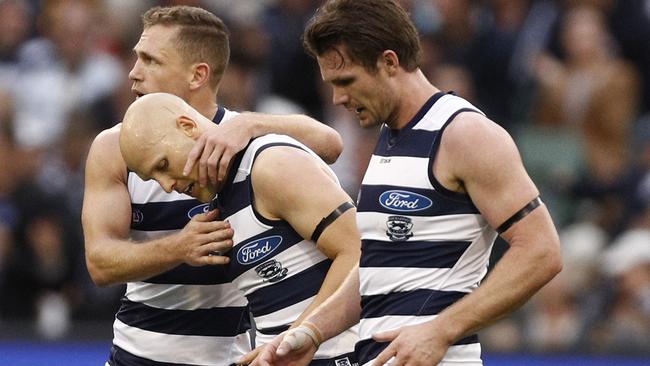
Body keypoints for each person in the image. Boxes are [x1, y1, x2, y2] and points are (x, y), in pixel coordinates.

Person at [253, 1, 563, 365]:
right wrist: (311, 332)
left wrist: (442, 329)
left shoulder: (463, 133)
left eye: (346, 81)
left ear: (389, 62)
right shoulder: (391, 136)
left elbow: (542, 250)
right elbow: (377, 272)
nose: (338, 99)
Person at [81, 6, 344, 366]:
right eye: (136, 58)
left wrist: (250, 124)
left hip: (229, 355)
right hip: (137, 353)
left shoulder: (241, 143)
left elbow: (330, 144)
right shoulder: (114, 147)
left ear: (197, 75)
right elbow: (99, 263)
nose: (134, 73)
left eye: (150, 60)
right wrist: (178, 247)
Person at [119, 92, 361, 366]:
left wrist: (301, 335)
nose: (166, 185)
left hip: (340, 356)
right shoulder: (223, 194)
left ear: (187, 126)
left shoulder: (268, 164)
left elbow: (363, 252)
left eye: (163, 165)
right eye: (153, 178)